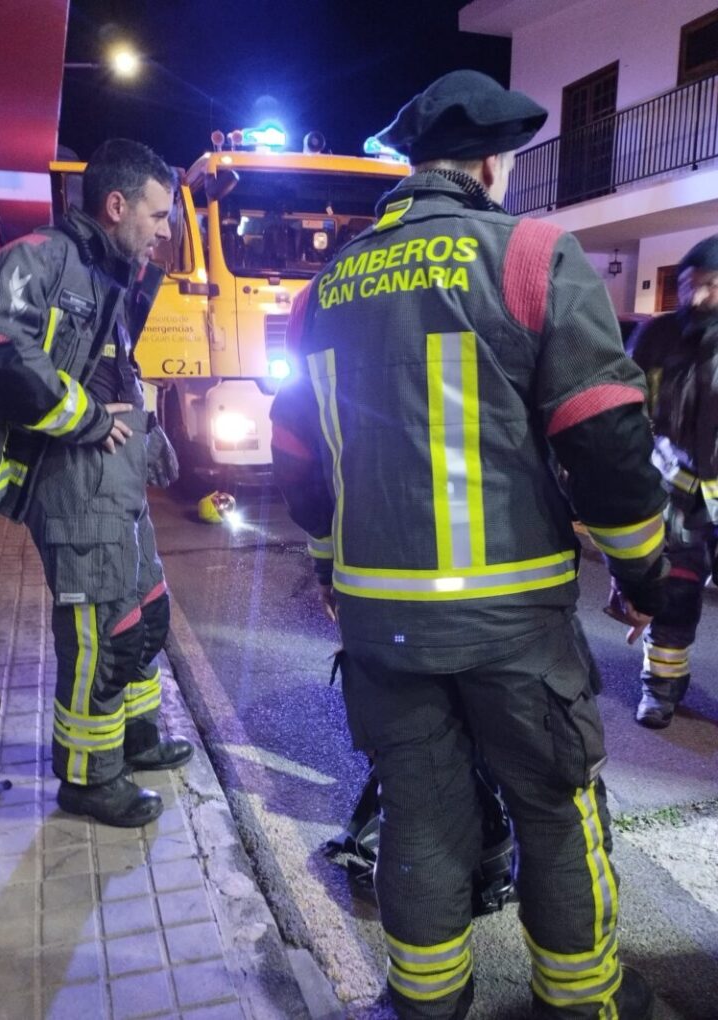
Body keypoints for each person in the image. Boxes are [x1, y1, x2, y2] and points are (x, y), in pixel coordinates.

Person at [270, 71, 668, 1020]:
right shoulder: (530, 256)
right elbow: (605, 435)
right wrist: (644, 571)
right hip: (513, 624)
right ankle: (580, 1002)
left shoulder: (327, 288)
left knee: (421, 813)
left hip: (381, 623)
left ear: (415, 164)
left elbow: (300, 455)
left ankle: (426, 1003)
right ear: (491, 164)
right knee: (556, 810)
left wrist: (328, 563)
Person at [0, 139, 193, 828]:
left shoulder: (110, 273)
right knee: (101, 632)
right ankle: (90, 777)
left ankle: (136, 737)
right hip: (73, 481)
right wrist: (83, 417)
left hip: (117, 479)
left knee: (144, 614)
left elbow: (115, 367)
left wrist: (149, 432)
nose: (165, 231)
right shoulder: (42, 258)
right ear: (116, 205)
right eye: (158, 215)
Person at [628, 236, 718, 728]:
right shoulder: (657, 337)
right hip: (677, 494)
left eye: (711, 285)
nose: (697, 297)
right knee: (676, 593)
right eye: (689, 285)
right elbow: (629, 409)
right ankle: (660, 689)